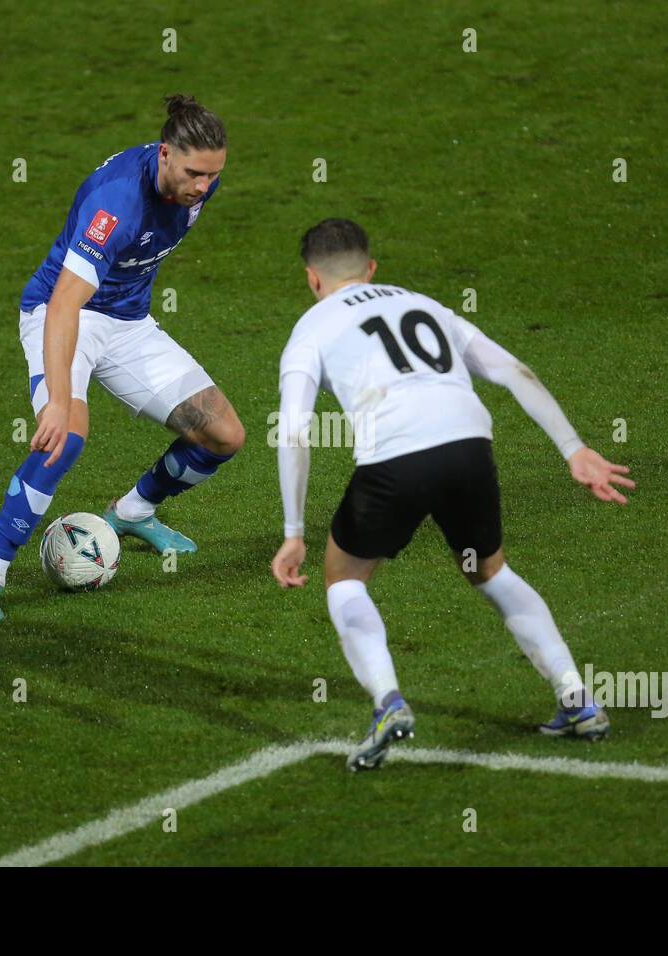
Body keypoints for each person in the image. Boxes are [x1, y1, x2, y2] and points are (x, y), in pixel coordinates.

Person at [270, 218, 636, 770]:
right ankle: (577, 698)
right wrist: (573, 448)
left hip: (394, 459)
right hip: (469, 446)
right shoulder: (426, 304)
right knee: (491, 572)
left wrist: (294, 533)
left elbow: (295, 432)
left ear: (312, 279)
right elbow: (514, 370)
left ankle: (388, 702)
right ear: (371, 268)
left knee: (344, 577)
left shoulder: (311, 328)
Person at [0, 95, 243, 622]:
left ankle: (132, 512)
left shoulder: (196, 183)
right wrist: (57, 401)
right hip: (64, 314)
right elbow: (66, 303)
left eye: (212, 175)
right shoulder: (114, 204)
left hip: (129, 323)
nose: (203, 187)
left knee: (224, 434)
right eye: (193, 174)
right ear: (164, 154)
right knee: (63, 438)